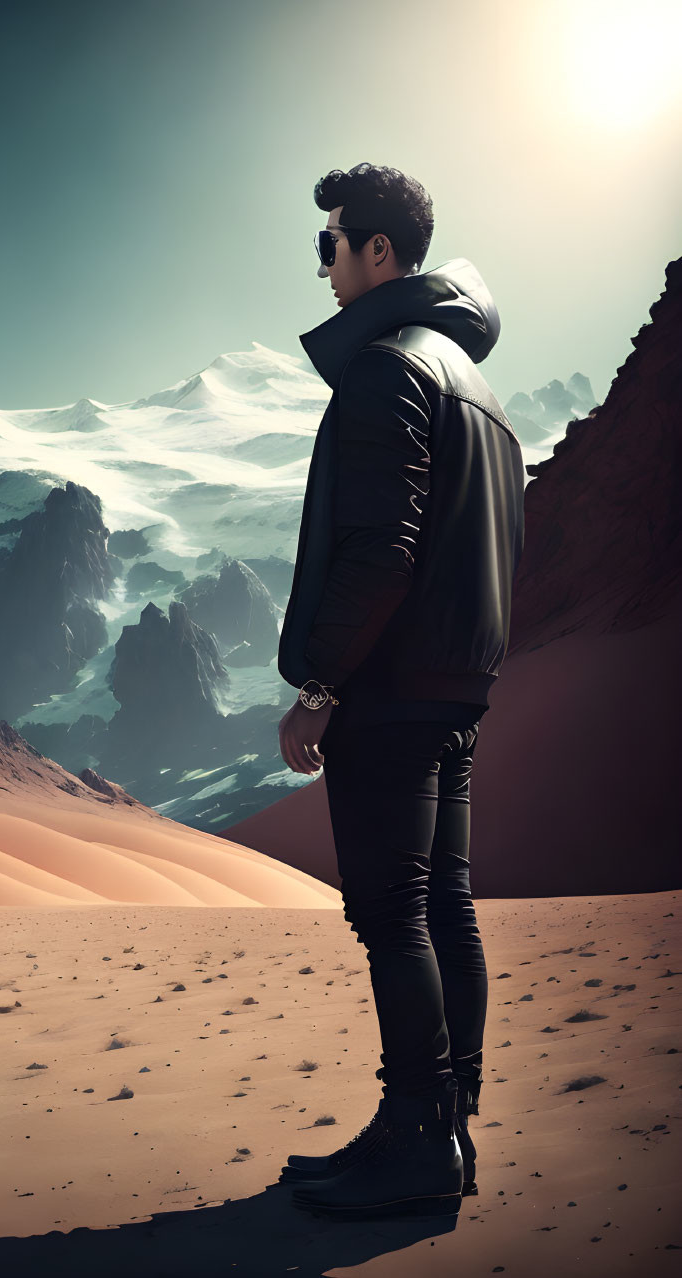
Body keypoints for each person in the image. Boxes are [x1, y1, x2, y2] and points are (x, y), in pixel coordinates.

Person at [272, 162, 527, 1220]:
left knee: (389, 912)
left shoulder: (385, 370)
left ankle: (416, 1137)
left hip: (388, 686)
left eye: (327, 244)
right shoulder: (473, 385)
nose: (320, 265)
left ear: (378, 252)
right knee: (442, 906)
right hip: (456, 683)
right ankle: (440, 1123)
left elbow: (381, 548)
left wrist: (321, 684)